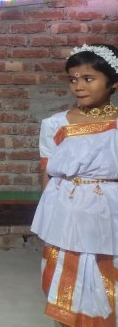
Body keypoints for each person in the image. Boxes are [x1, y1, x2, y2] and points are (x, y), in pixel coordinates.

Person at [31, 44, 118, 327]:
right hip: (66, 211)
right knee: (63, 274)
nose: (78, 86)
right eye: (73, 79)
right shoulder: (55, 124)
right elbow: (47, 172)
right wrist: (48, 215)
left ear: (113, 83)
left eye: (88, 78)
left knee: (106, 270)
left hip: (109, 212)